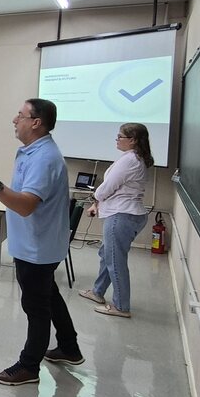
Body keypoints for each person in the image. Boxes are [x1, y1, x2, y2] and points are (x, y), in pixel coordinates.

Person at [0, 98, 82, 386]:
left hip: (37, 248)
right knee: (49, 295)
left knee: (36, 307)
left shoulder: (45, 158)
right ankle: (69, 347)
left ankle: (29, 366)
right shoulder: (31, 152)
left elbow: (25, 206)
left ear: (36, 122)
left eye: (20, 115)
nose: (14, 119)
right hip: (36, 243)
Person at [79, 123, 154, 318]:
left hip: (121, 216)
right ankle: (98, 292)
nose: (117, 139)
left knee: (115, 261)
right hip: (128, 214)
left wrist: (96, 198)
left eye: (120, 136)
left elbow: (107, 187)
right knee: (107, 254)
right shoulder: (134, 158)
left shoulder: (129, 160)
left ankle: (121, 306)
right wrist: (99, 203)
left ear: (133, 140)